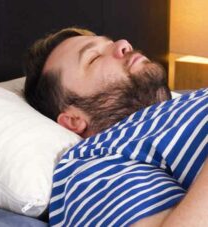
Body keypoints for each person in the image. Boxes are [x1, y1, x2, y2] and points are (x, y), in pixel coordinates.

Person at [23, 27, 207, 226]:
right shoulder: (94, 161)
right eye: (94, 58)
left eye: (111, 43)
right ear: (74, 119)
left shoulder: (183, 106)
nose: (124, 44)